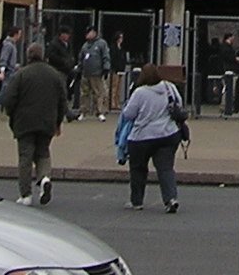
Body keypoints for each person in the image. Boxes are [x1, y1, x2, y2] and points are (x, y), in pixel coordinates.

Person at [0, 41, 69, 206]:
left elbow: (9, 99)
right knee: (43, 152)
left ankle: (25, 195)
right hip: (47, 122)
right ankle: (44, 178)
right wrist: (58, 122)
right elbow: (62, 101)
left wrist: (12, 116)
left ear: (28, 56)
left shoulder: (21, 74)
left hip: (24, 122)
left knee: (25, 157)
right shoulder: (54, 75)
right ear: (43, 56)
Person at [119, 63, 184, 213]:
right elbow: (179, 104)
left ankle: (137, 201)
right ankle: (171, 199)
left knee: (138, 169)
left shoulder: (140, 93)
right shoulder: (169, 87)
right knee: (166, 168)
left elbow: (128, 114)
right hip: (168, 134)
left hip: (141, 137)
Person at [77, 27, 111, 119]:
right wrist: (79, 69)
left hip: (97, 73)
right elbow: (81, 58)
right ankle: (83, 112)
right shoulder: (85, 46)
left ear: (94, 33)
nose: (87, 35)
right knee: (84, 93)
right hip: (86, 73)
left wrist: (106, 68)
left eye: (89, 33)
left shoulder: (101, 44)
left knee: (98, 94)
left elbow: (105, 56)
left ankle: (99, 112)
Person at [106, 31, 131, 113]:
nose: (121, 39)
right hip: (115, 69)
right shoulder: (113, 47)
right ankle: (112, 103)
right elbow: (112, 58)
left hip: (121, 69)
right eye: (120, 37)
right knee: (114, 87)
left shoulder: (122, 48)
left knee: (119, 88)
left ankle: (117, 103)